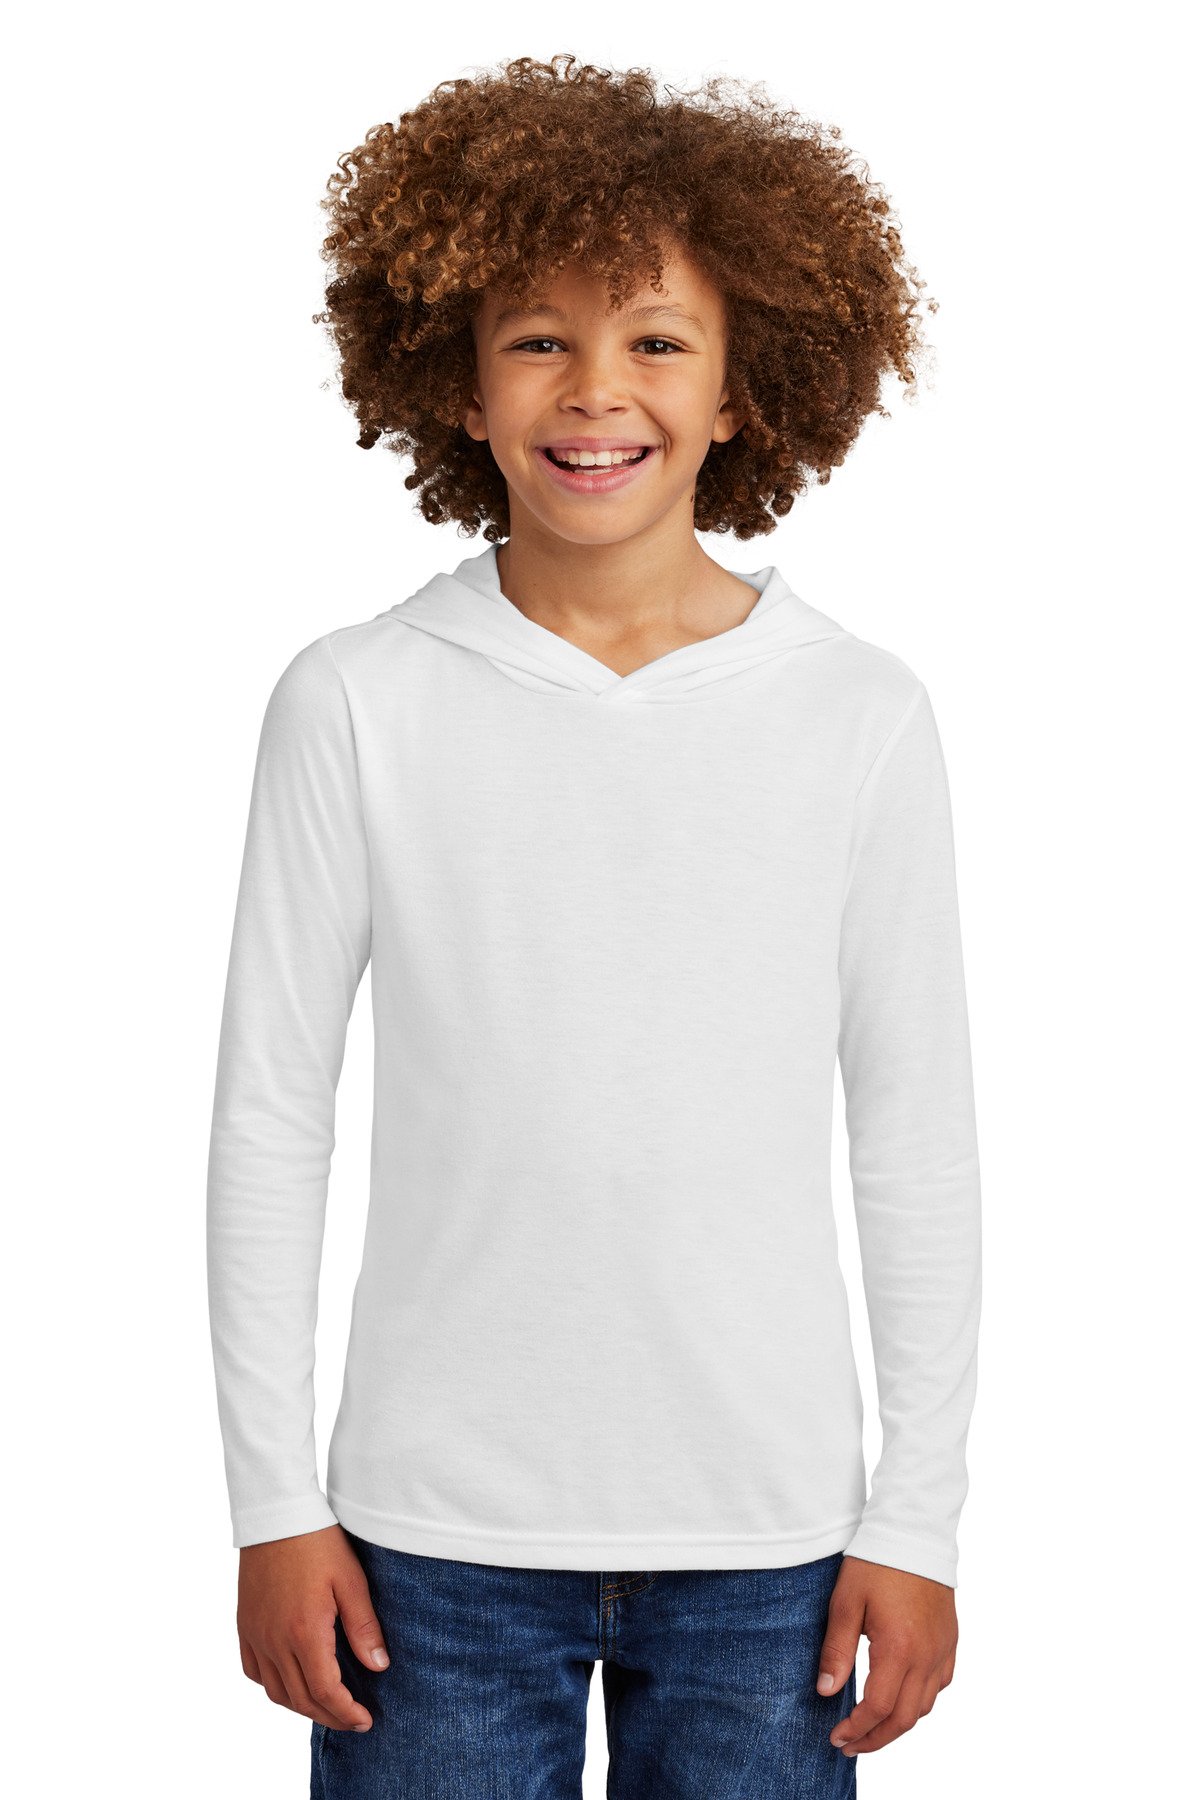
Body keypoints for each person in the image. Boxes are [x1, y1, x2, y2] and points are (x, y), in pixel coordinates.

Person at [206, 52, 983, 1799]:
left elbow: (916, 1134)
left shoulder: (858, 713)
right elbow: (271, 1116)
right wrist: (273, 1505)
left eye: (657, 339)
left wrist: (916, 1516)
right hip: (427, 1545)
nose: (596, 391)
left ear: (743, 386)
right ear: (458, 382)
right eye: (539, 339)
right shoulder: (357, 699)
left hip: (773, 1547)